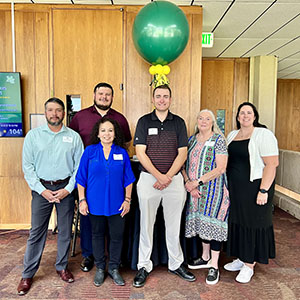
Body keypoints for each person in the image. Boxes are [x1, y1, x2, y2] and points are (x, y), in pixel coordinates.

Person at [17, 98, 84, 296]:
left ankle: (62, 267)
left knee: (65, 232)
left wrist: (68, 189)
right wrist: (41, 190)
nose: (54, 114)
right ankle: (27, 274)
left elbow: (79, 167)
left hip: (65, 188)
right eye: (50, 110)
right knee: (36, 232)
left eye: (58, 110)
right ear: (45, 113)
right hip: (41, 190)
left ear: (64, 113)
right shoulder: (33, 136)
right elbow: (28, 167)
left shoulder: (73, 137)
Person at [132, 84, 195, 288]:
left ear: (170, 99)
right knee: (146, 225)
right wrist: (159, 176)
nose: (162, 100)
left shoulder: (178, 123)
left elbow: (182, 153)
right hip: (148, 180)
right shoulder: (143, 121)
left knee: (174, 225)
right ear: (153, 99)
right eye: (158, 96)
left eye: (165, 96)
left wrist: (167, 176)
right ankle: (143, 265)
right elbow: (141, 153)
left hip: (174, 181)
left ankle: (176, 264)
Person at [69, 82, 132, 272]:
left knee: (115, 227)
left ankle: (114, 261)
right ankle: (89, 257)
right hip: (89, 176)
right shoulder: (80, 117)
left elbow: (127, 145)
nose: (104, 97)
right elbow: (72, 143)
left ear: (112, 97)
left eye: (108, 94)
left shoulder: (119, 118)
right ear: (94, 95)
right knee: (90, 224)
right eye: (101, 93)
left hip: (113, 177)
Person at [76, 117, 135, 286]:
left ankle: (114, 268)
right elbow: (81, 179)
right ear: (98, 133)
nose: (107, 134)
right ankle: (101, 268)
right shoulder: (90, 151)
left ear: (115, 133)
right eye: (103, 130)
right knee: (97, 236)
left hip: (118, 204)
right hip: (94, 203)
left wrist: (127, 200)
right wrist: (82, 200)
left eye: (110, 130)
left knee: (117, 237)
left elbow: (128, 179)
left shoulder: (121, 152)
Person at [225, 102, 279, 283]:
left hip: (255, 188)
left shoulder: (264, 134)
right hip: (236, 189)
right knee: (239, 222)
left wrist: (263, 190)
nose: (245, 116)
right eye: (242, 113)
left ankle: (249, 265)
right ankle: (241, 258)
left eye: (249, 113)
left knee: (253, 224)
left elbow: (271, 165)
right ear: (238, 117)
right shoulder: (233, 135)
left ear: (254, 116)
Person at [182, 109, 230, 285]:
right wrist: (189, 183)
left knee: (214, 224)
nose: (203, 121)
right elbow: (183, 164)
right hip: (194, 191)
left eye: (207, 118)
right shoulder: (191, 140)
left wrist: (197, 183)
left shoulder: (218, 140)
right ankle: (204, 257)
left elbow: (221, 168)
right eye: (200, 118)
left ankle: (214, 266)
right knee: (202, 223)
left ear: (212, 122)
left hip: (215, 190)